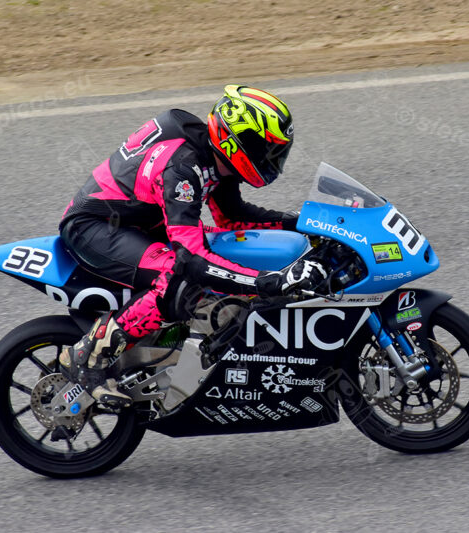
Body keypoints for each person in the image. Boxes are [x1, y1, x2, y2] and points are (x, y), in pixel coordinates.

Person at [58, 84, 327, 407]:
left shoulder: (217, 157)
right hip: (95, 227)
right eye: (265, 148)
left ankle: (173, 345)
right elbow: (193, 259)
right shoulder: (183, 167)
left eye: (277, 151)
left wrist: (305, 223)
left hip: (140, 223)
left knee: (224, 248)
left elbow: (232, 217)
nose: (272, 159)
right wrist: (266, 282)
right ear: (236, 139)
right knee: (179, 277)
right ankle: (88, 356)